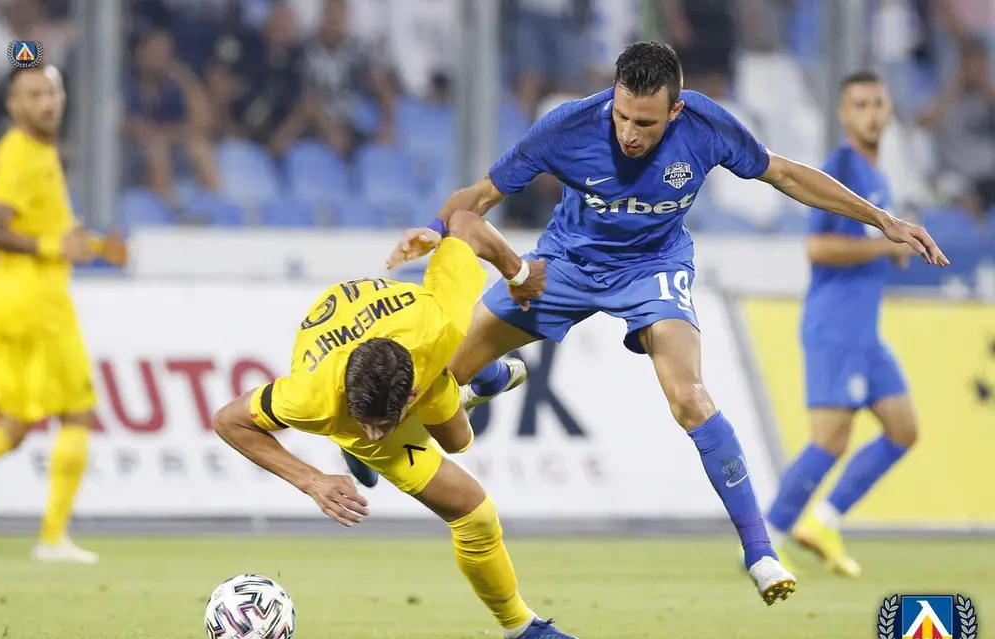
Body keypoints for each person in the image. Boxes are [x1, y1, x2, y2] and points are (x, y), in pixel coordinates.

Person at [392, 42, 949, 606]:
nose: (629, 134)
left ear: (676, 110)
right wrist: (433, 229)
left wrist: (882, 220)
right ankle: (490, 378)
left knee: (690, 397)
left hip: (653, 268)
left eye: (646, 123)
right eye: (622, 116)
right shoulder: (567, 127)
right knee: (442, 376)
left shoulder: (706, 125)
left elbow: (783, 174)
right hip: (565, 262)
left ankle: (760, 552)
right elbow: (482, 194)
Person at [212, 210, 594, 639]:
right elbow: (228, 420)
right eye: (365, 423)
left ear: (410, 396)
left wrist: (518, 273)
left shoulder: (441, 320)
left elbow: (466, 223)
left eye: (381, 425)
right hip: (358, 360)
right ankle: (522, 630)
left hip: (421, 351)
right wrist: (311, 480)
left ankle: (468, 383)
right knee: (475, 514)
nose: (374, 435)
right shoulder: (311, 397)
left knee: (458, 440)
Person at [765, 72, 919, 578]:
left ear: (889, 109)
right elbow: (817, 248)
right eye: (860, 104)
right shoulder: (840, 170)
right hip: (835, 327)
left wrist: (888, 249)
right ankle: (766, 540)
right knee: (830, 440)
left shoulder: (878, 175)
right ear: (843, 114)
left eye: (878, 103)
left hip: (865, 332)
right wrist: (886, 245)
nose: (871, 113)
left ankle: (823, 522)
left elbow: (869, 245)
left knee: (903, 429)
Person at [0, 65, 126, 564]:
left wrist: (96, 247)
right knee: (78, 412)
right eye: (34, 94)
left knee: (12, 429)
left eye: (53, 92)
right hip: (36, 307)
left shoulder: (38, 152)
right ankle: (53, 538)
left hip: (11, 305)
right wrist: (54, 248)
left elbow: (53, 231)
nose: (47, 102)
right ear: (14, 105)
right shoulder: (20, 152)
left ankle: (53, 539)